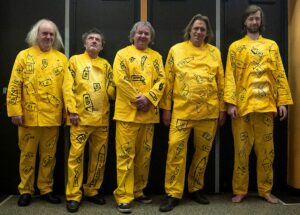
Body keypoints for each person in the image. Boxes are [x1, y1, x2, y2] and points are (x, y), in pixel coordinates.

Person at [224, 5, 293, 204]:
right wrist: (230, 104)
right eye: (251, 19)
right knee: (241, 152)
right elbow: (230, 76)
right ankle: (240, 190)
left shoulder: (272, 46)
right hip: (242, 109)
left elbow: (279, 74)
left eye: (257, 18)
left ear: (261, 22)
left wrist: (282, 102)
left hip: (266, 107)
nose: (254, 22)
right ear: (245, 22)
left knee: (266, 153)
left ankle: (265, 190)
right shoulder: (235, 47)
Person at [159, 14, 226, 212]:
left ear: (207, 33)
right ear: (189, 30)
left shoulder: (214, 53)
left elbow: (221, 83)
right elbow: (168, 82)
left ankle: (195, 187)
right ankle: (173, 193)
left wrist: (222, 109)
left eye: (202, 29)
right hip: (181, 113)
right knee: (175, 151)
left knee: (202, 154)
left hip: (208, 113)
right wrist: (166, 110)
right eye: (196, 28)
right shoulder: (176, 50)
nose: (198, 32)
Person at [6, 19, 67, 206]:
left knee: (49, 156)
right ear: (37, 35)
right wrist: (14, 111)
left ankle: (46, 189)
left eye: (51, 34)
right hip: (28, 118)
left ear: (55, 37)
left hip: (52, 117)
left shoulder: (61, 59)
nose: (48, 37)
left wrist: (66, 113)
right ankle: (26, 190)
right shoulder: (23, 56)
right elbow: (15, 85)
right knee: (27, 156)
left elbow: (67, 89)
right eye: (45, 33)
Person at [112, 21, 165, 213]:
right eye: (139, 33)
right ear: (133, 35)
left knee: (144, 157)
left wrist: (149, 98)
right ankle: (124, 196)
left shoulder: (156, 57)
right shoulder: (122, 54)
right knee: (125, 157)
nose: (142, 36)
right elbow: (120, 80)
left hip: (149, 115)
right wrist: (138, 100)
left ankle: (138, 190)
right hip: (127, 115)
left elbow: (162, 80)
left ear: (150, 38)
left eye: (146, 34)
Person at [63, 28, 115, 213]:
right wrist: (72, 111)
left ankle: (92, 190)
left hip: (102, 120)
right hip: (80, 119)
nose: (94, 41)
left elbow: (111, 90)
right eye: (91, 39)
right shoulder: (74, 61)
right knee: (75, 158)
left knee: (99, 158)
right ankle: (74, 195)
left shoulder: (107, 65)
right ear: (85, 44)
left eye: (97, 40)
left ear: (101, 46)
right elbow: (67, 88)